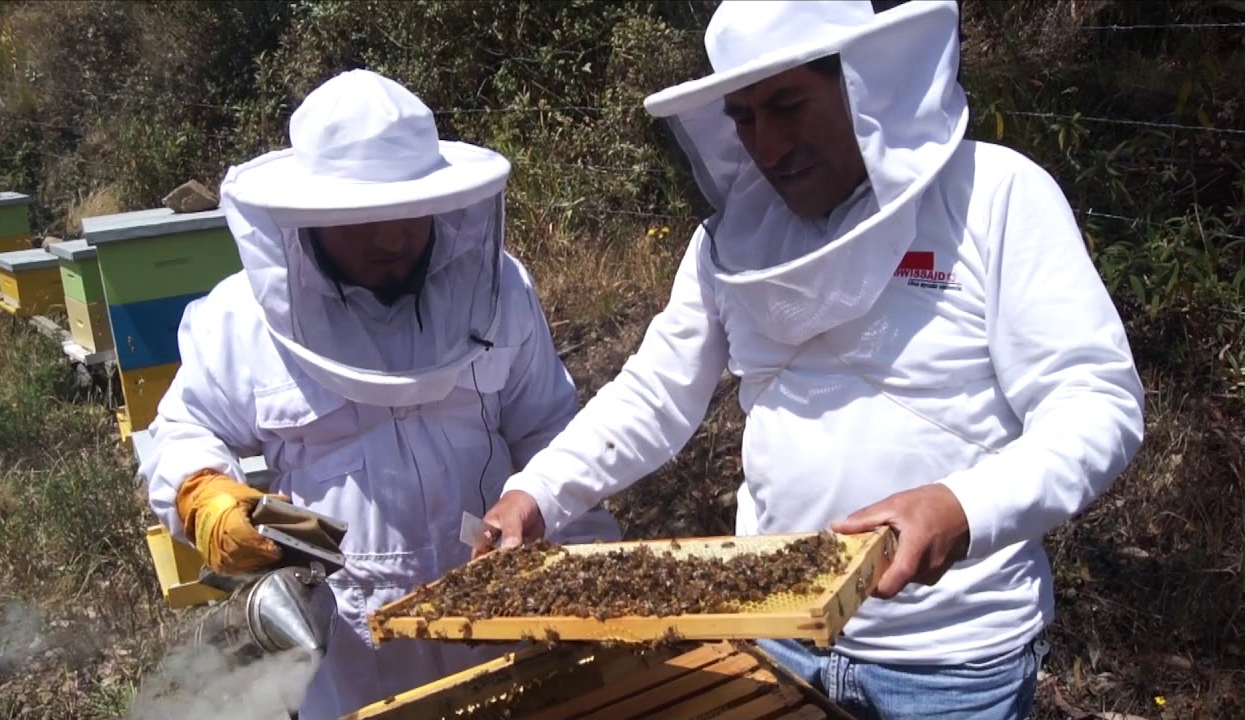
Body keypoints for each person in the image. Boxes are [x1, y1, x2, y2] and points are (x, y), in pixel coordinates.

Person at [477, 1, 1145, 718]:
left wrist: (962, 506)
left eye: (788, 104)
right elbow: (656, 390)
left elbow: (1094, 401)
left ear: (864, 85)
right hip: (771, 635)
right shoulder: (731, 238)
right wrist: (539, 492)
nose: (766, 143)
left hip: (948, 667)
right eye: (743, 117)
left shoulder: (994, 195)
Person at [139, 68, 620, 720]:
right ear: (307, 218)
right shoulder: (241, 318)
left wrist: (582, 560)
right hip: (347, 645)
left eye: (407, 212)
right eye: (362, 219)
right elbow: (184, 429)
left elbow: (551, 429)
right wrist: (207, 498)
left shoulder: (498, 289)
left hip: (500, 618)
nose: (391, 239)